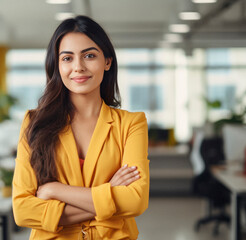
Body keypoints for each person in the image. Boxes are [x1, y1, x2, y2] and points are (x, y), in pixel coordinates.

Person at [12, 15, 149, 240]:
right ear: (57, 64)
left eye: (89, 55)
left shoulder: (132, 124)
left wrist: (54, 190)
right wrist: (110, 193)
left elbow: (136, 201)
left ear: (107, 61)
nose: (78, 67)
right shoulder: (34, 122)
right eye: (67, 58)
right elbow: (23, 211)